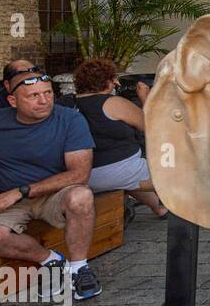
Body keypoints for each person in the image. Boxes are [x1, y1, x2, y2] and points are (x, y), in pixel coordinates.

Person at [0, 69, 102, 300]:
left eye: (48, 93)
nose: (44, 101)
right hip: (5, 197)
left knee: (81, 196)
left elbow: (79, 174)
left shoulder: (70, 119)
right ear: (12, 101)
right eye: (33, 96)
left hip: (54, 194)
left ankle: (80, 268)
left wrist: (20, 192)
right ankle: (52, 261)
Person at [72, 58, 168, 219]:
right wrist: (146, 97)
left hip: (83, 173)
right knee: (178, 170)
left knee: (127, 176)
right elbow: (153, 128)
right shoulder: (113, 103)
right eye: (114, 78)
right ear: (108, 82)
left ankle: (160, 208)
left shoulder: (66, 102)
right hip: (118, 169)